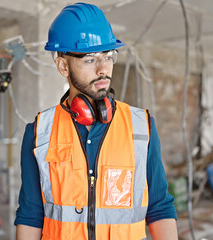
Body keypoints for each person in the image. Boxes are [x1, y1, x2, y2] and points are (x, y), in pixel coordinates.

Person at [15, 2, 178, 240]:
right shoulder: (40, 132)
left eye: (108, 56)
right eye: (90, 59)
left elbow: (160, 207)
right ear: (63, 65)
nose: (104, 69)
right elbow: (30, 214)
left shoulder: (142, 127)